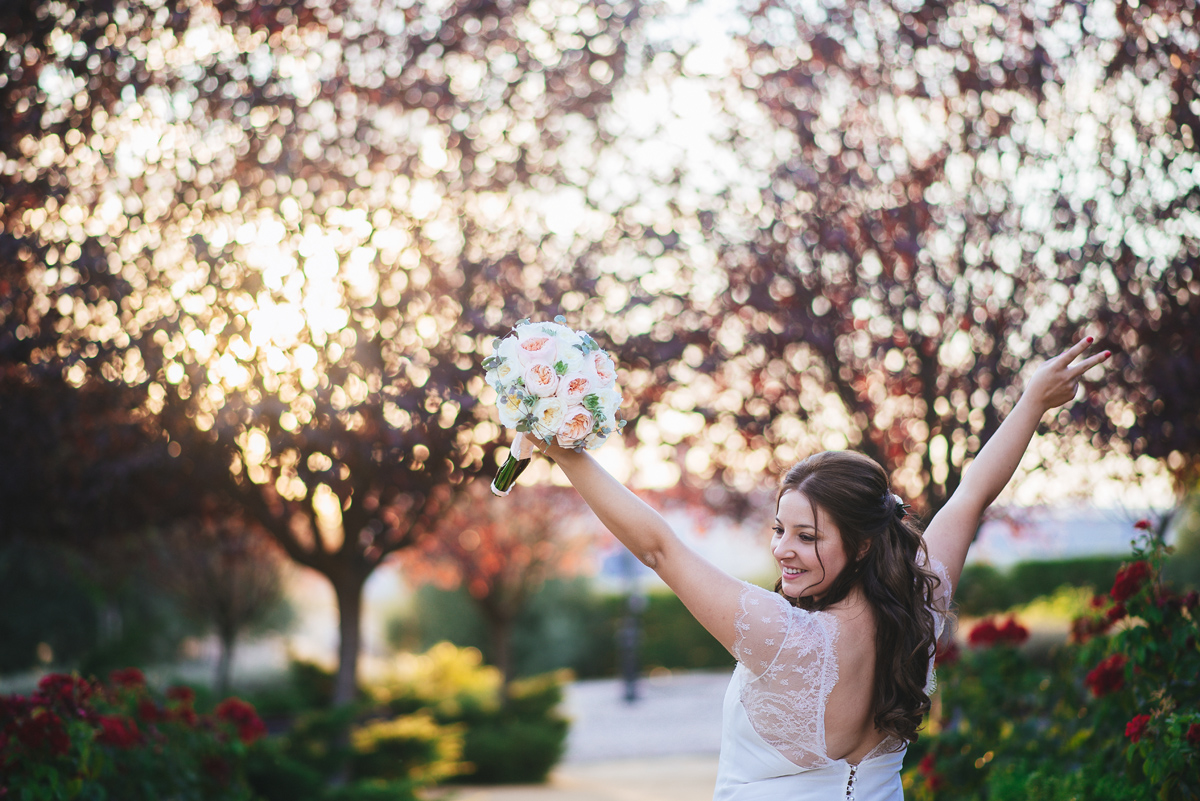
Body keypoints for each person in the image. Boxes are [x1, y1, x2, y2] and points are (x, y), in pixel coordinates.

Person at [516, 337, 1110, 800]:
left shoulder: (785, 636)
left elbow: (659, 549)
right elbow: (972, 493)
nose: (784, 550)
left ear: (861, 546)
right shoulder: (921, 604)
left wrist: (564, 449)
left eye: (808, 536)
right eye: (780, 529)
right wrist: (1032, 400)